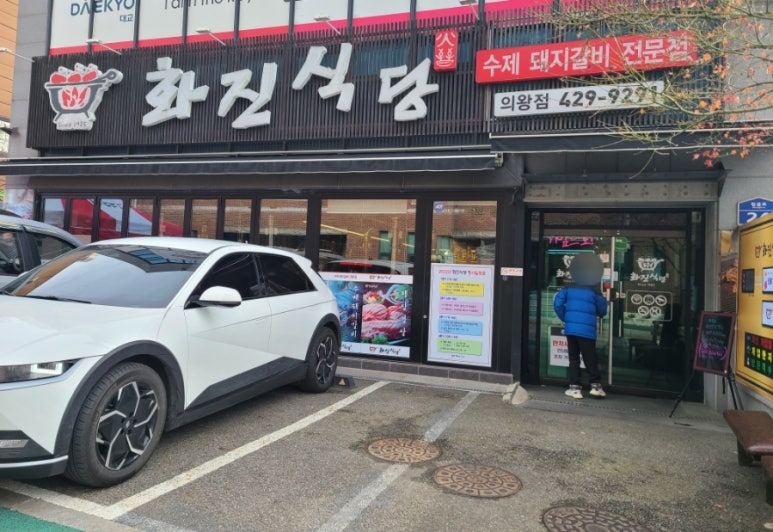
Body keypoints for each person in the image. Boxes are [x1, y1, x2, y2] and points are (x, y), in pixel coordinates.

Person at [553, 254, 608, 399]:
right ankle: (596, 386)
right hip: (587, 331)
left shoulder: (568, 288)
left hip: (571, 330)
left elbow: (557, 304)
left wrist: (566, 318)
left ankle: (575, 388)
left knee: (574, 358)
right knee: (590, 357)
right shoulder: (595, 290)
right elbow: (603, 310)